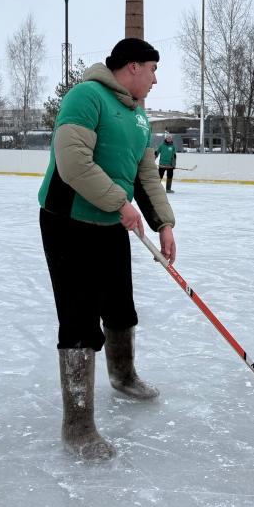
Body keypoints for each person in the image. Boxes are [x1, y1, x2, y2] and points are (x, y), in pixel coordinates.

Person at [38, 37, 176, 460]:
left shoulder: (138, 117)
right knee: (79, 318)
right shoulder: (86, 97)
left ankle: (123, 375)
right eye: (152, 70)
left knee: (120, 306)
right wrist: (120, 202)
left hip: (110, 222)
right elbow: (73, 163)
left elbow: (146, 175)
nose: (155, 80)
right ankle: (77, 426)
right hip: (69, 222)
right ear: (132, 66)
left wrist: (165, 223)